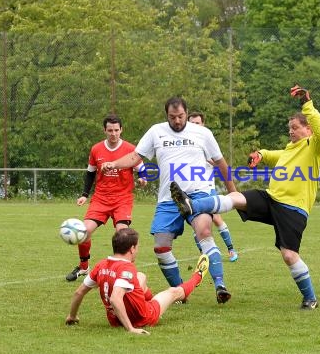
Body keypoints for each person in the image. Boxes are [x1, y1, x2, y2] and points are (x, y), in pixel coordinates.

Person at [170, 85, 320, 310]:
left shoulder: (315, 148)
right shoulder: (290, 150)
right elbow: (274, 155)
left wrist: (307, 103)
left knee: (289, 255)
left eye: (295, 128)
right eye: (289, 128)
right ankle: (191, 204)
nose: (291, 131)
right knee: (236, 198)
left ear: (308, 129)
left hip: (293, 210)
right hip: (271, 199)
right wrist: (260, 154)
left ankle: (310, 298)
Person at [100, 97, 236, 304]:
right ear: (167, 116)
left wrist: (232, 191)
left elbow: (220, 162)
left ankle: (220, 285)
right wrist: (114, 164)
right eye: (173, 117)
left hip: (198, 194)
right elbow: (135, 157)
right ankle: (181, 291)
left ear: (186, 113)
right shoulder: (156, 131)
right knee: (161, 248)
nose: (177, 121)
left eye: (181, 116)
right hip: (169, 198)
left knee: (204, 232)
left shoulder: (203, 133)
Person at [65, 228, 209, 334]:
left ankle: (150, 299)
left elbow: (79, 292)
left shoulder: (101, 265)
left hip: (115, 320)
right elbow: (115, 298)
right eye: (137, 247)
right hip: (142, 317)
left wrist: (72, 316)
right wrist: (131, 329)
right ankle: (198, 275)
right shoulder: (127, 269)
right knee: (173, 292)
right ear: (132, 249)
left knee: (141, 276)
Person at [67, 114, 147, 282]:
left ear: (121, 130)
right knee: (84, 231)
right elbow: (90, 173)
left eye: (116, 130)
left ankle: (125, 272)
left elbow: (142, 168)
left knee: (122, 234)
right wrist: (84, 195)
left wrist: (142, 178)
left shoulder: (130, 149)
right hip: (101, 198)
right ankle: (83, 267)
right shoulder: (96, 149)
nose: (113, 133)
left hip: (122, 198)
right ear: (104, 130)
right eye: (110, 130)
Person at [187, 111, 238, 262]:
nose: (194, 126)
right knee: (197, 223)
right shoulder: (185, 143)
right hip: (190, 188)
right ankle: (205, 254)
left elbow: (219, 163)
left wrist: (209, 161)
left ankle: (231, 249)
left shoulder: (206, 140)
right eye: (192, 123)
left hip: (206, 187)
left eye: (197, 123)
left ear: (203, 124)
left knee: (216, 219)